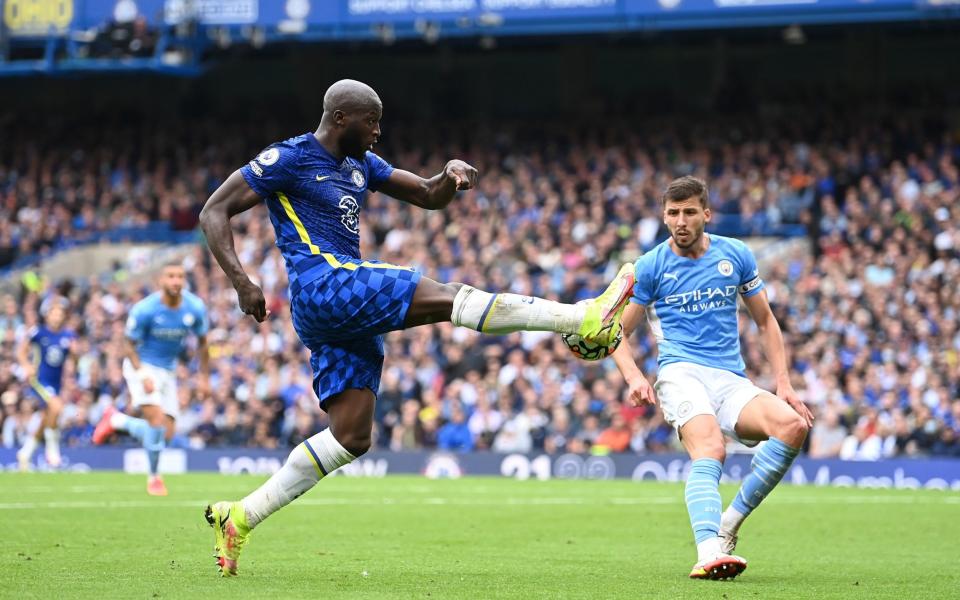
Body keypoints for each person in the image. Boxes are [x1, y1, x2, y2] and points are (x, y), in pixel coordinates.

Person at [198, 79, 635, 576]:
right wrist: (241, 281)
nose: (379, 131)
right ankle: (580, 316)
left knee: (351, 436)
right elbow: (214, 209)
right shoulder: (289, 158)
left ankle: (242, 516)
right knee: (449, 298)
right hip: (325, 284)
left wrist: (448, 176)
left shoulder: (360, 164)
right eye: (373, 121)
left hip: (339, 305)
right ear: (341, 118)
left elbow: (428, 195)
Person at [611, 175, 813, 581]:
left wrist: (784, 382)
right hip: (680, 373)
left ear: (706, 213)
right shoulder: (650, 266)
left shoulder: (735, 254)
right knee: (711, 448)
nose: (680, 221)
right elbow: (616, 331)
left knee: (792, 427)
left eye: (689, 212)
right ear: (664, 217)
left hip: (729, 378)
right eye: (672, 213)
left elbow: (765, 320)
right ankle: (707, 552)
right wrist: (633, 376)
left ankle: (728, 524)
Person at [92, 262, 210, 496]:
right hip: (141, 365)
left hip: (168, 370)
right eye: (170, 276)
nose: (176, 281)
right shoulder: (145, 309)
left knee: (166, 434)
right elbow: (128, 344)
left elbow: (203, 343)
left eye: (180, 276)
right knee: (155, 420)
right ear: (160, 281)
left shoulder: (195, 307)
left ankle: (117, 421)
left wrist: (204, 377)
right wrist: (143, 374)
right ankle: (154, 477)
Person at [16, 299, 76, 469]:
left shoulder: (68, 335)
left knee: (46, 418)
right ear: (47, 315)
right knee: (57, 408)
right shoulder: (38, 333)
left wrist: (74, 356)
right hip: (40, 379)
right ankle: (52, 452)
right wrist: (27, 365)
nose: (57, 317)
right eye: (54, 313)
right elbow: (21, 351)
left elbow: (72, 361)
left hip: (56, 382)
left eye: (60, 314)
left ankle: (25, 453)